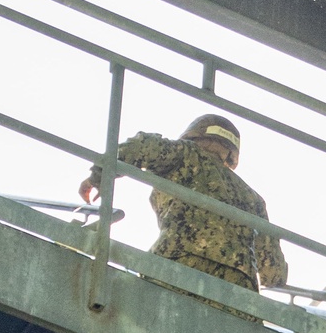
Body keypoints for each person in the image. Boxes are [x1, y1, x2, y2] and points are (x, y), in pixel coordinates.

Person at [79, 113, 288, 292]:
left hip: (178, 266)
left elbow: (143, 146)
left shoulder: (186, 154)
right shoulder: (253, 198)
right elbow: (274, 273)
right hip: (238, 291)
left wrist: (99, 175)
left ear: (194, 135)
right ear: (231, 153)